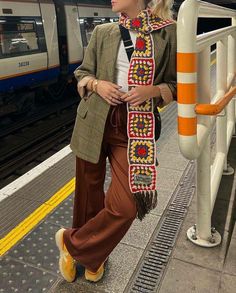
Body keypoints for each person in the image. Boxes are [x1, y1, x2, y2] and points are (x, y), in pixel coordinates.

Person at [55, 0, 177, 283]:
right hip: (94, 119)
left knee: (127, 204)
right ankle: (94, 257)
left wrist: (154, 90)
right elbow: (82, 74)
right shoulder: (104, 32)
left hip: (135, 127)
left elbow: (178, 84)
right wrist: (98, 84)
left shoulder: (168, 33)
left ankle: (72, 244)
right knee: (89, 193)